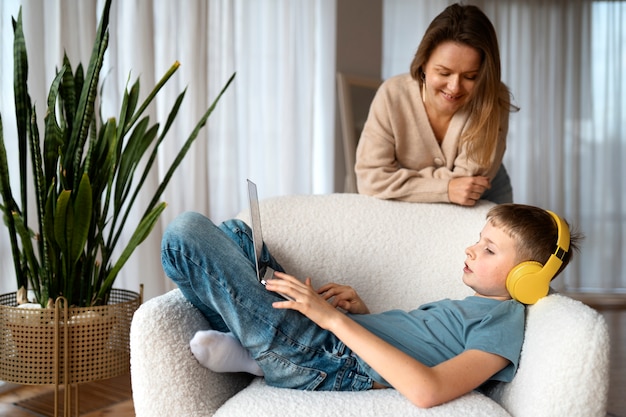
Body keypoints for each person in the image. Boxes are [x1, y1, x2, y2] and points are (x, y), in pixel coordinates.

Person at [160, 203, 581, 408]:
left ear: (527, 277)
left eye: (489, 250)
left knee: (185, 234)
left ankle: (264, 354)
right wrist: (359, 314)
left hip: (329, 358)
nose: (471, 249)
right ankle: (255, 348)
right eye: (478, 239)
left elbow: (426, 389)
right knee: (235, 232)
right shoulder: (473, 306)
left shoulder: (502, 324)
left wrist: (330, 321)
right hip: (333, 336)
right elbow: (410, 342)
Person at [355, 3, 519, 206]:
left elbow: (468, 185)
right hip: (417, 202)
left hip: (486, 197)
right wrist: (446, 189)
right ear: (423, 63)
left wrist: (400, 180)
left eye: (471, 76)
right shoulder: (393, 95)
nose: (454, 87)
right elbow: (370, 180)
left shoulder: (493, 97)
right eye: (444, 72)